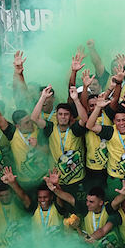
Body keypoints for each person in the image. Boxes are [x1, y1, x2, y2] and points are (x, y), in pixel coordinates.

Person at [86, 94, 125, 201]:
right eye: (118, 120)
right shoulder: (110, 131)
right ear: (114, 121)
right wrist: (98, 107)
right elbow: (90, 125)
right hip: (116, 178)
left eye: (124, 120)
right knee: (115, 205)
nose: (121, 123)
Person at [35, 85, 88, 215]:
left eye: (66, 114)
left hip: (77, 180)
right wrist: (42, 97)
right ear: (56, 116)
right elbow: (34, 118)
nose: (63, 117)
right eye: (60, 114)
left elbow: (85, 119)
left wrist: (76, 99)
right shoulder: (51, 128)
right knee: (61, 211)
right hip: (58, 180)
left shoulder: (75, 129)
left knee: (78, 210)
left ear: (70, 117)